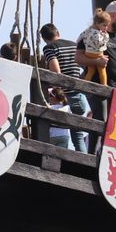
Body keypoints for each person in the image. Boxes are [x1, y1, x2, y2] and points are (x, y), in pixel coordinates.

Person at [39, 21, 90, 151]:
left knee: (54, 131)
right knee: (78, 135)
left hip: (64, 98)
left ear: (45, 39)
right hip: (79, 96)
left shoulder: (49, 48)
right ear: (58, 33)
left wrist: (56, 90)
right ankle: (83, 165)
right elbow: (87, 68)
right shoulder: (74, 46)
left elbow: (56, 71)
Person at [75, 7, 113, 119]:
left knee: (90, 71)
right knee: (101, 70)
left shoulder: (87, 33)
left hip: (89, 54)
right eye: (105, 25)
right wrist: (98, 60)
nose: (106, 28)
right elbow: (78, 57)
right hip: (96, 56)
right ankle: (103, 85)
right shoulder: (97, 34)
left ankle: (86, 84)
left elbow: (80, 38)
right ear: (98, 23)